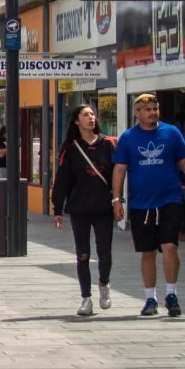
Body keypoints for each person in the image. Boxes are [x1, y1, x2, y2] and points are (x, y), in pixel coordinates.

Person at [111, 94, 185, 318]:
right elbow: (119, 169)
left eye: (155, 108)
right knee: (147, 251)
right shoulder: (128, 138)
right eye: (147, 109)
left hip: (170, 199)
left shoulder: (171, 133)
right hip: (141, 203)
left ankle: (171, 294)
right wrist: (117, 199)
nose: (153, 112)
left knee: (170, 246)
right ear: (137, 113)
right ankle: (150, 298)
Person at [50, 105, 118, 317]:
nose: (91, 118)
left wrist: (118, 199)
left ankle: (104, 284)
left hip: (103, 207)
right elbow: (62, 181)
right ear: (77, 121)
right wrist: (57, 208)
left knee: (104, 253)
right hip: (79, 208)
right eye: (85, 115)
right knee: (83, 254)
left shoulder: (108, 144)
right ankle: (86, 298)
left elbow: (118, 174)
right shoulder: (70, 150)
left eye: (92, 114)